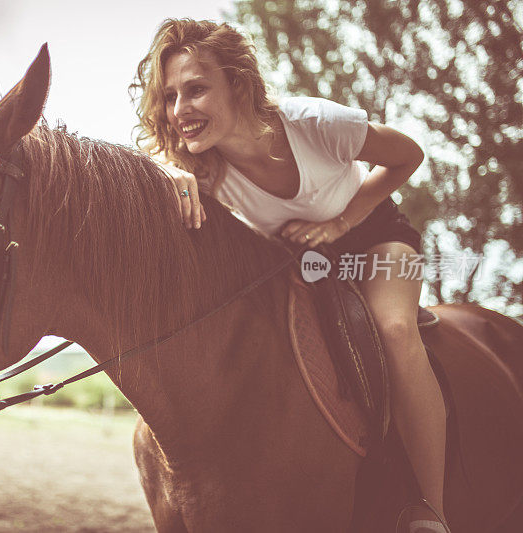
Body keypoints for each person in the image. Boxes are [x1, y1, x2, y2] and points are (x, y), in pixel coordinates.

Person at [131, 18, 450, 533]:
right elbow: (151, 182)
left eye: (195, 89)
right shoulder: (199, 165)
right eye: (169, 97)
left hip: (375, 237)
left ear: (237, 84)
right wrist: (170, 173)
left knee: (394, 329)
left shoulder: (315, 123)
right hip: (300, 261)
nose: (180, 109)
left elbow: (408, 156)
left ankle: (430, 511)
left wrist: (341, 221)